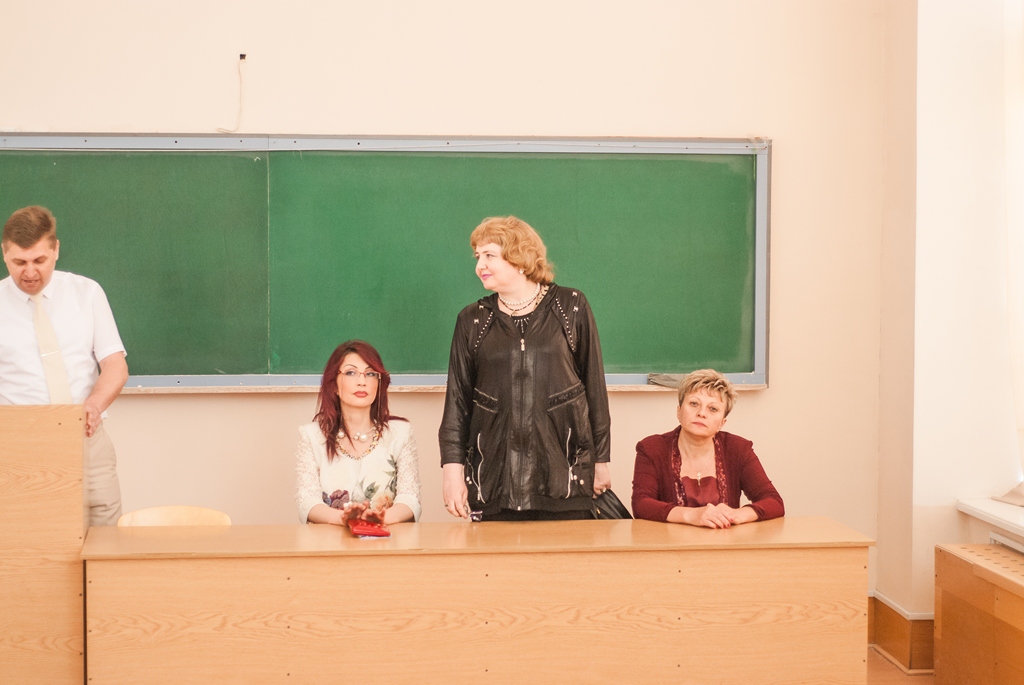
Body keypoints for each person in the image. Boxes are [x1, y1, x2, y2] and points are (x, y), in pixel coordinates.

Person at [438, 215, 611, 521]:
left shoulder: (571, 306)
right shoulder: (472, 320)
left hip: (566, 482)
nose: (480, 265)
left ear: (519, 258)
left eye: (489, 255)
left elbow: (595, 389)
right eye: (478, 257)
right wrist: (452, 472)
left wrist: (601, 460)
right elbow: (457, 403)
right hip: (494, 484)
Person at [0, 206, 128, 526]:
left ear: (56, 249)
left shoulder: (87, 293)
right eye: (19, 262)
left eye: (39, 260)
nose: (30, 272)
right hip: (19, 445)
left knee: (105, 535)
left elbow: (115, 365)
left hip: (86, 439)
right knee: (32, 538)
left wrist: (94, 405)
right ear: (5, 254)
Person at [632, 369, 783, 527]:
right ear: (679, 411)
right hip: (670, 542)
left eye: (713, 409)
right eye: (694, 404)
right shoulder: (651, 448)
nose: (701, 413)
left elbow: (774, 501)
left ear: (722, 423)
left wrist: (736, 515)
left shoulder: (738, 449)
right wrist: (692, 515)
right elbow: (641, 504)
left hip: (724, 540)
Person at [295, 340, 421, 525]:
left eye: (370, 374)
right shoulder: (312, 436)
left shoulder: (400, 433)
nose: (362, 381)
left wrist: (379, 519)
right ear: (334, 384)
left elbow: (410, 499)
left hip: (386, 538)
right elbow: (307, 502)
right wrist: (344, 519)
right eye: (351, 373)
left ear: (379, 383)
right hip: (330, 539)